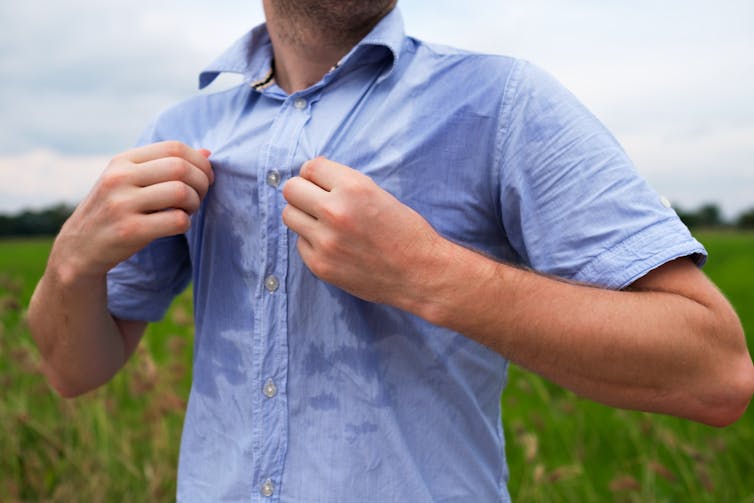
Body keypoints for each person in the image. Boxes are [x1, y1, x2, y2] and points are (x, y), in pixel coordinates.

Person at [29, 1, 754, 501]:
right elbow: (73, 369)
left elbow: (715, 369)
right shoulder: (185, 129)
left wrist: (429, 274)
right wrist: (71, 262)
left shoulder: (503, 105)